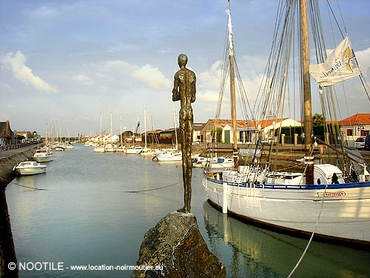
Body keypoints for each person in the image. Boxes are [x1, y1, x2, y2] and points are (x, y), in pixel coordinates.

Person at [172, 54, 196, 213]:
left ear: (178, 62)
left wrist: (177, 91)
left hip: (182, 113)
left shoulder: (177, 75)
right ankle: (187, 206)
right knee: (189, 154)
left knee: (184, 157)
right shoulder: (193, 75)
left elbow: (174, 96)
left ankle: (186, 206)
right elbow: (193, 97)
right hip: (191, 112)